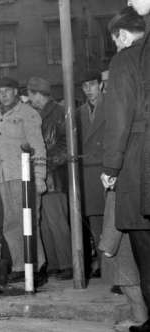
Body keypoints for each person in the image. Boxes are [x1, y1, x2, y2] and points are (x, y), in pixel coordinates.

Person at [102, 0, 150, 332]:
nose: (129, 2)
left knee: (144, 247)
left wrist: (111, 166)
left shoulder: (126, 60)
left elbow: (119, 118)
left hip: (140, 162)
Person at [0, 77, 47, 286]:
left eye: (7, 90)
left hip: (23, 175)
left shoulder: (27, 113)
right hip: (3, 176)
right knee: (10, 223)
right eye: (0, 92)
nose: (3, 95)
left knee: (29, 221)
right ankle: (20, 266)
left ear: (16, 91)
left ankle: (38, 266)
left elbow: (38, 146)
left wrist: (39, 176)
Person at [26, 76, 72, 280]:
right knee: (44, 222)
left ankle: (68, 264)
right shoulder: (36, 113)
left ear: (38, 94)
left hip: (54, 175)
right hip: (42, 174)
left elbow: (67, 144)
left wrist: (47, 162)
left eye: (30, 94)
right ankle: (54, 264)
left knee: (57, 221)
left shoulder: (59, 112)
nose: (29, 99)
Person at [77, 70, 106, 278]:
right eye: (85, 86)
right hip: (88, 172)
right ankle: (104, 267)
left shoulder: (113, 105)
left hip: (108, 168)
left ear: (101, 85)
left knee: (113, 220)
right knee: (95, 222)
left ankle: (117, 269)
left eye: (92, 85)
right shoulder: (79, 112)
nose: (89, 89)